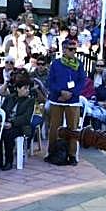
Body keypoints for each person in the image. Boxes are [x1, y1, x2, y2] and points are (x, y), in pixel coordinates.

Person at [44, 36, 86, 165]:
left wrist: (71, 93)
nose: (73, 52)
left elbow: (81, 81)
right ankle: (52, 152)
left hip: (73, 100)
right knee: (54, 127)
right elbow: (50, 81)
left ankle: (72, 155)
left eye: (75, 49)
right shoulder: (56, 63)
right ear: (64, 50)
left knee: (72, 128)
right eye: (70, 49)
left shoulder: (79, 64)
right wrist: (61, 92)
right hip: (57, 99)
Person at [0, 80, 35, 170]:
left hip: (20, 126)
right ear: (18, 89)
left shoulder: (30, 100)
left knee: (8, 134)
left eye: (28, 88)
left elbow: (26, 118)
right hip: (6, 123)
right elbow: (2, 111)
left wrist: (12, 123)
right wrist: (1, 121)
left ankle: (9, 161)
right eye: (25, 88)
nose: (27, 90)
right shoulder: (10, 97)